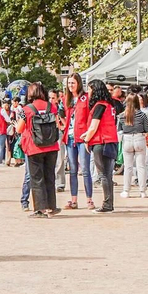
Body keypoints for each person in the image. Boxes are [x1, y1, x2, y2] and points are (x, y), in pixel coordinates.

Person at [18, 82, 63, 216]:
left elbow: (19, 128)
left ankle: (40, 209)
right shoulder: (52, 106)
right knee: (50, 176)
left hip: (34, 147)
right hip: (52, 146)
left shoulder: (27, 109)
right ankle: (52, 207)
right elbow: (57, 124)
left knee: (36, 178)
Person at [81, 79, 119, 212]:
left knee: (103, 175)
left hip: (101, 142)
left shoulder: (99, 106)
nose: (88, 91)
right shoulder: (110, 105)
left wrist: (87, 139)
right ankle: (109, 203)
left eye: (90, 89)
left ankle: (107, 204)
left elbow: (94, 126)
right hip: (110, 141)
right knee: (108, 175)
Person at [60, 74, 93, 209]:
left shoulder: (86, 98)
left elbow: (90, 116)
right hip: (70, 137)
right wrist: (63, 126)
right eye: (69, 83)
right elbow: (63, 115)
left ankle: (89, 199)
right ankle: (74, 200)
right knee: (72, 169)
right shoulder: (66, 99)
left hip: (82, 136)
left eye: (73, 83)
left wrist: (88, 135)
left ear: (78, 83)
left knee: (85, 169)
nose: (71, 86)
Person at [119, 93, 148, 198]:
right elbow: (147, 130)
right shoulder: (142, 115)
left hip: (127, 139)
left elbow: (119, 130)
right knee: (141, 166)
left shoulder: (121, 116)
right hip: (140, 139)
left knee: (128, 167)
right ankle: (142, 191)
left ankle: (126, 190)